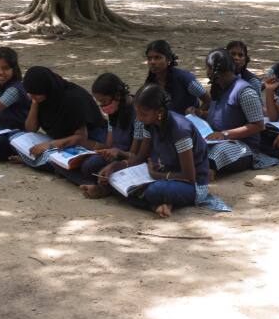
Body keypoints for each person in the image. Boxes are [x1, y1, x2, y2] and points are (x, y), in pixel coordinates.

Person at [117, 84, 211, 218]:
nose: (138, 118)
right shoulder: (149, 124)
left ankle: (155, 204)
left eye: (143, 114)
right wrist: (116, 167)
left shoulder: (180, 130)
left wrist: (156, 175)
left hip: (193, 185)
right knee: (118, 183)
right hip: (164, 176)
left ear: (160, 112)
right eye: (137, 113)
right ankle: (161, 205)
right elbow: (140, 158)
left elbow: (189, 176)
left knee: (153, 191)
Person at [78, 73, 151, 196]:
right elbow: (109, 144)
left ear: (117, 95)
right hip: (117, 156)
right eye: (100, 103)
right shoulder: (114, 111)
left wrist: (118, 154)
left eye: (104, 101)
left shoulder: (138, 115)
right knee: (88, 165)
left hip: (131, 161)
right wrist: (100, 150)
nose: (103, 107)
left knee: (92, 167)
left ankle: (104, 188)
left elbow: (135, 156)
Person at [200, 49, 266, 179]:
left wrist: (224, 134)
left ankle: (208, 168)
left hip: (241, 146)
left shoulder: (245, 91)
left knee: (218, 153)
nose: (206, 72)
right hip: (214, 140)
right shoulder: (218, 88)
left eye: (207, 68)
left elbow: (258, 125)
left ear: (214, 70)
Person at [21, 66, 107, 160]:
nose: (31, 96)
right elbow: (31, 128)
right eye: (30, 93)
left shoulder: (73, 98)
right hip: (61, 141)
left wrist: (50, 145)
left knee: (87, 165)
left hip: (91, 139)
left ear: (46, 89)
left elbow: (81, 138)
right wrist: (34, 103)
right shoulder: (41, 99)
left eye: (35, 94)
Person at [144, 40, 210, 115]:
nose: (152, 62)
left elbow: (208, 100)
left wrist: (197, 113)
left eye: (157, 58)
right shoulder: (150, 82)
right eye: (149, 58)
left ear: (168, 60)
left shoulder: (185, 79)